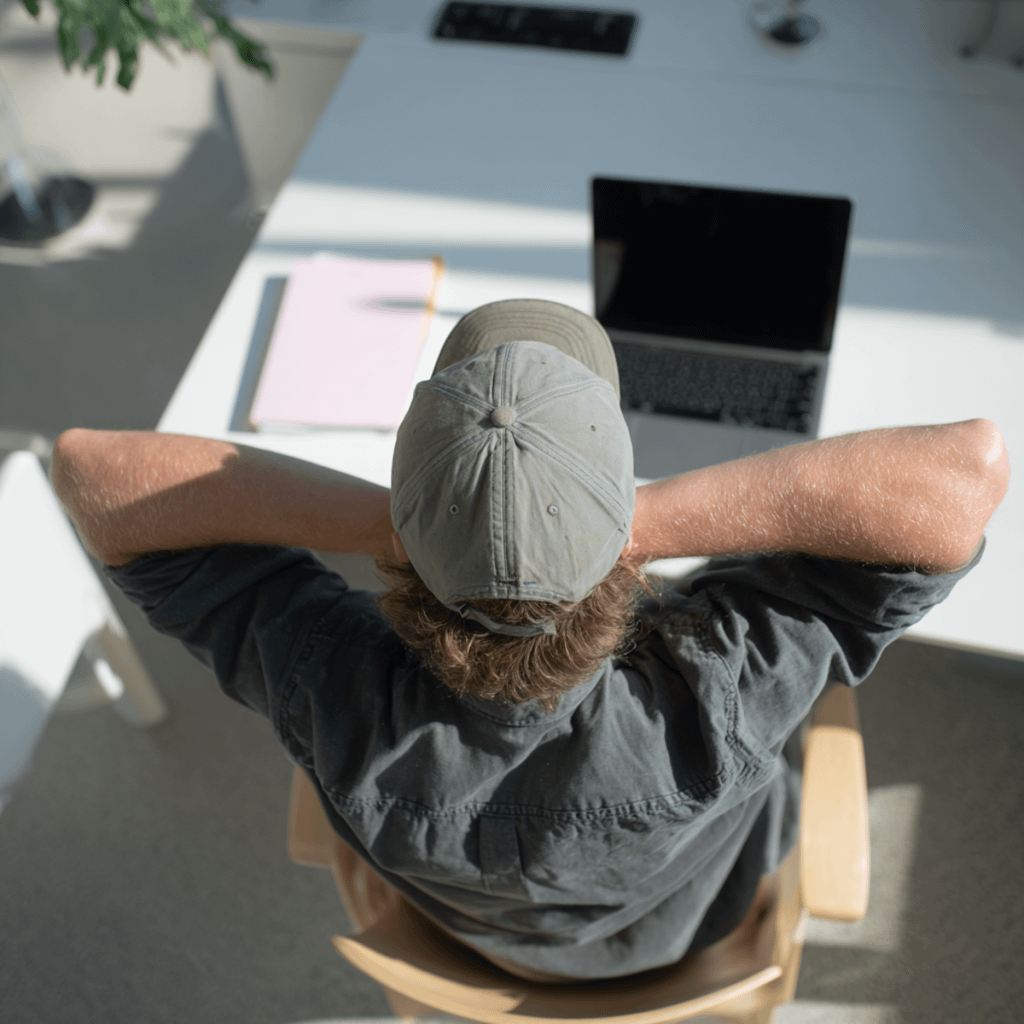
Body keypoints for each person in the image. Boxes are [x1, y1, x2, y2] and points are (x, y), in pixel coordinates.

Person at [51, 300, 1009, 982]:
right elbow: (968, 473)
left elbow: (91, 473)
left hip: (468, 944)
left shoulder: (325, 687)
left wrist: (417, 526)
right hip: (691, 935)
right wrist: (633, 522)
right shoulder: (722, 687)